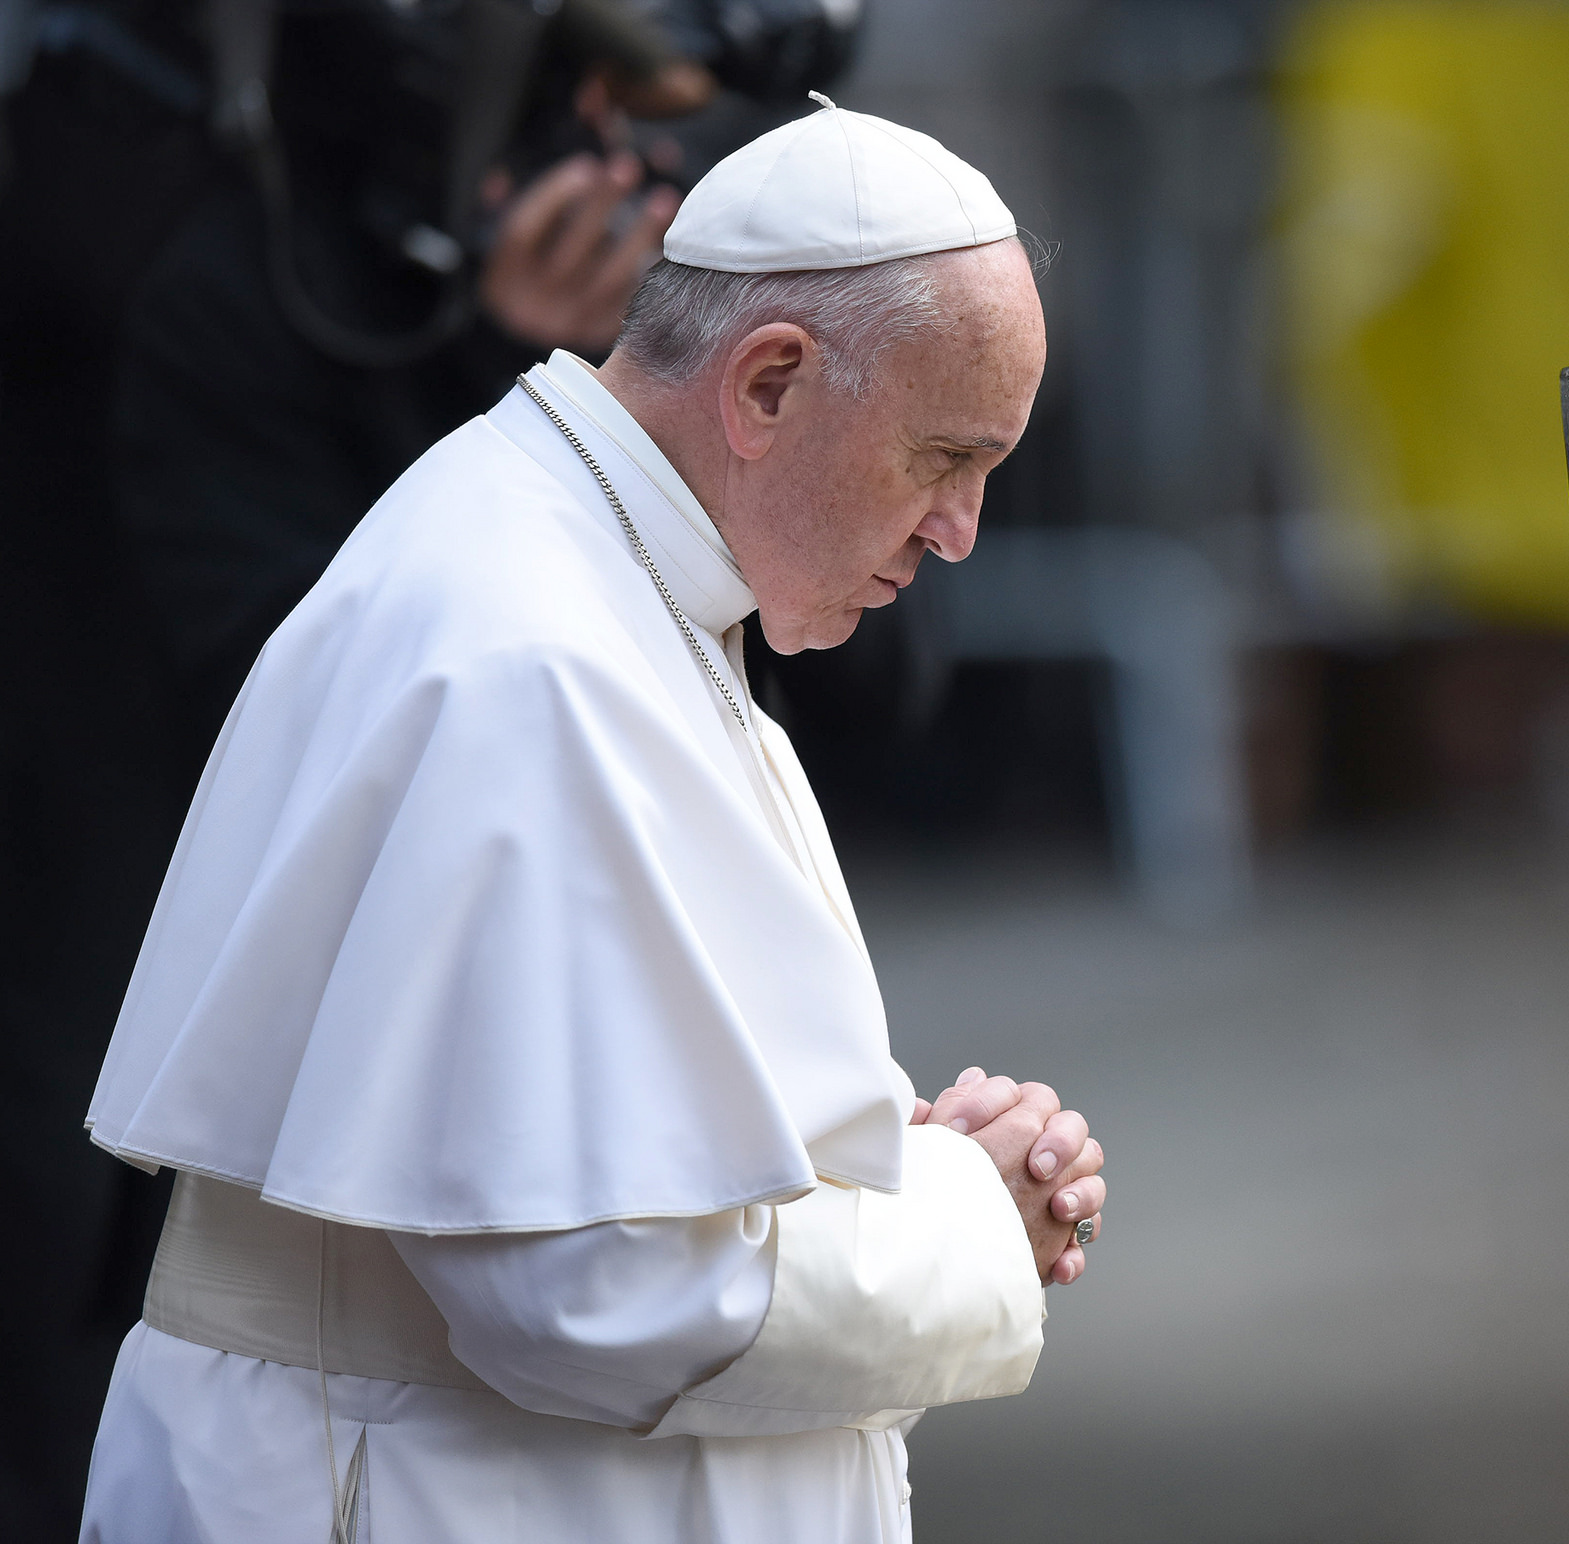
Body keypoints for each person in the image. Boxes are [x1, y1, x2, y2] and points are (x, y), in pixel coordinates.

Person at [76, 98, 1105, 1543]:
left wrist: (896, 1164)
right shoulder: (532, 651)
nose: (960, 532)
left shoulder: (601, 572)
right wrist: (963, 1219)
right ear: (767, 386)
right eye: (946, 457)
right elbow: (601, 1289)